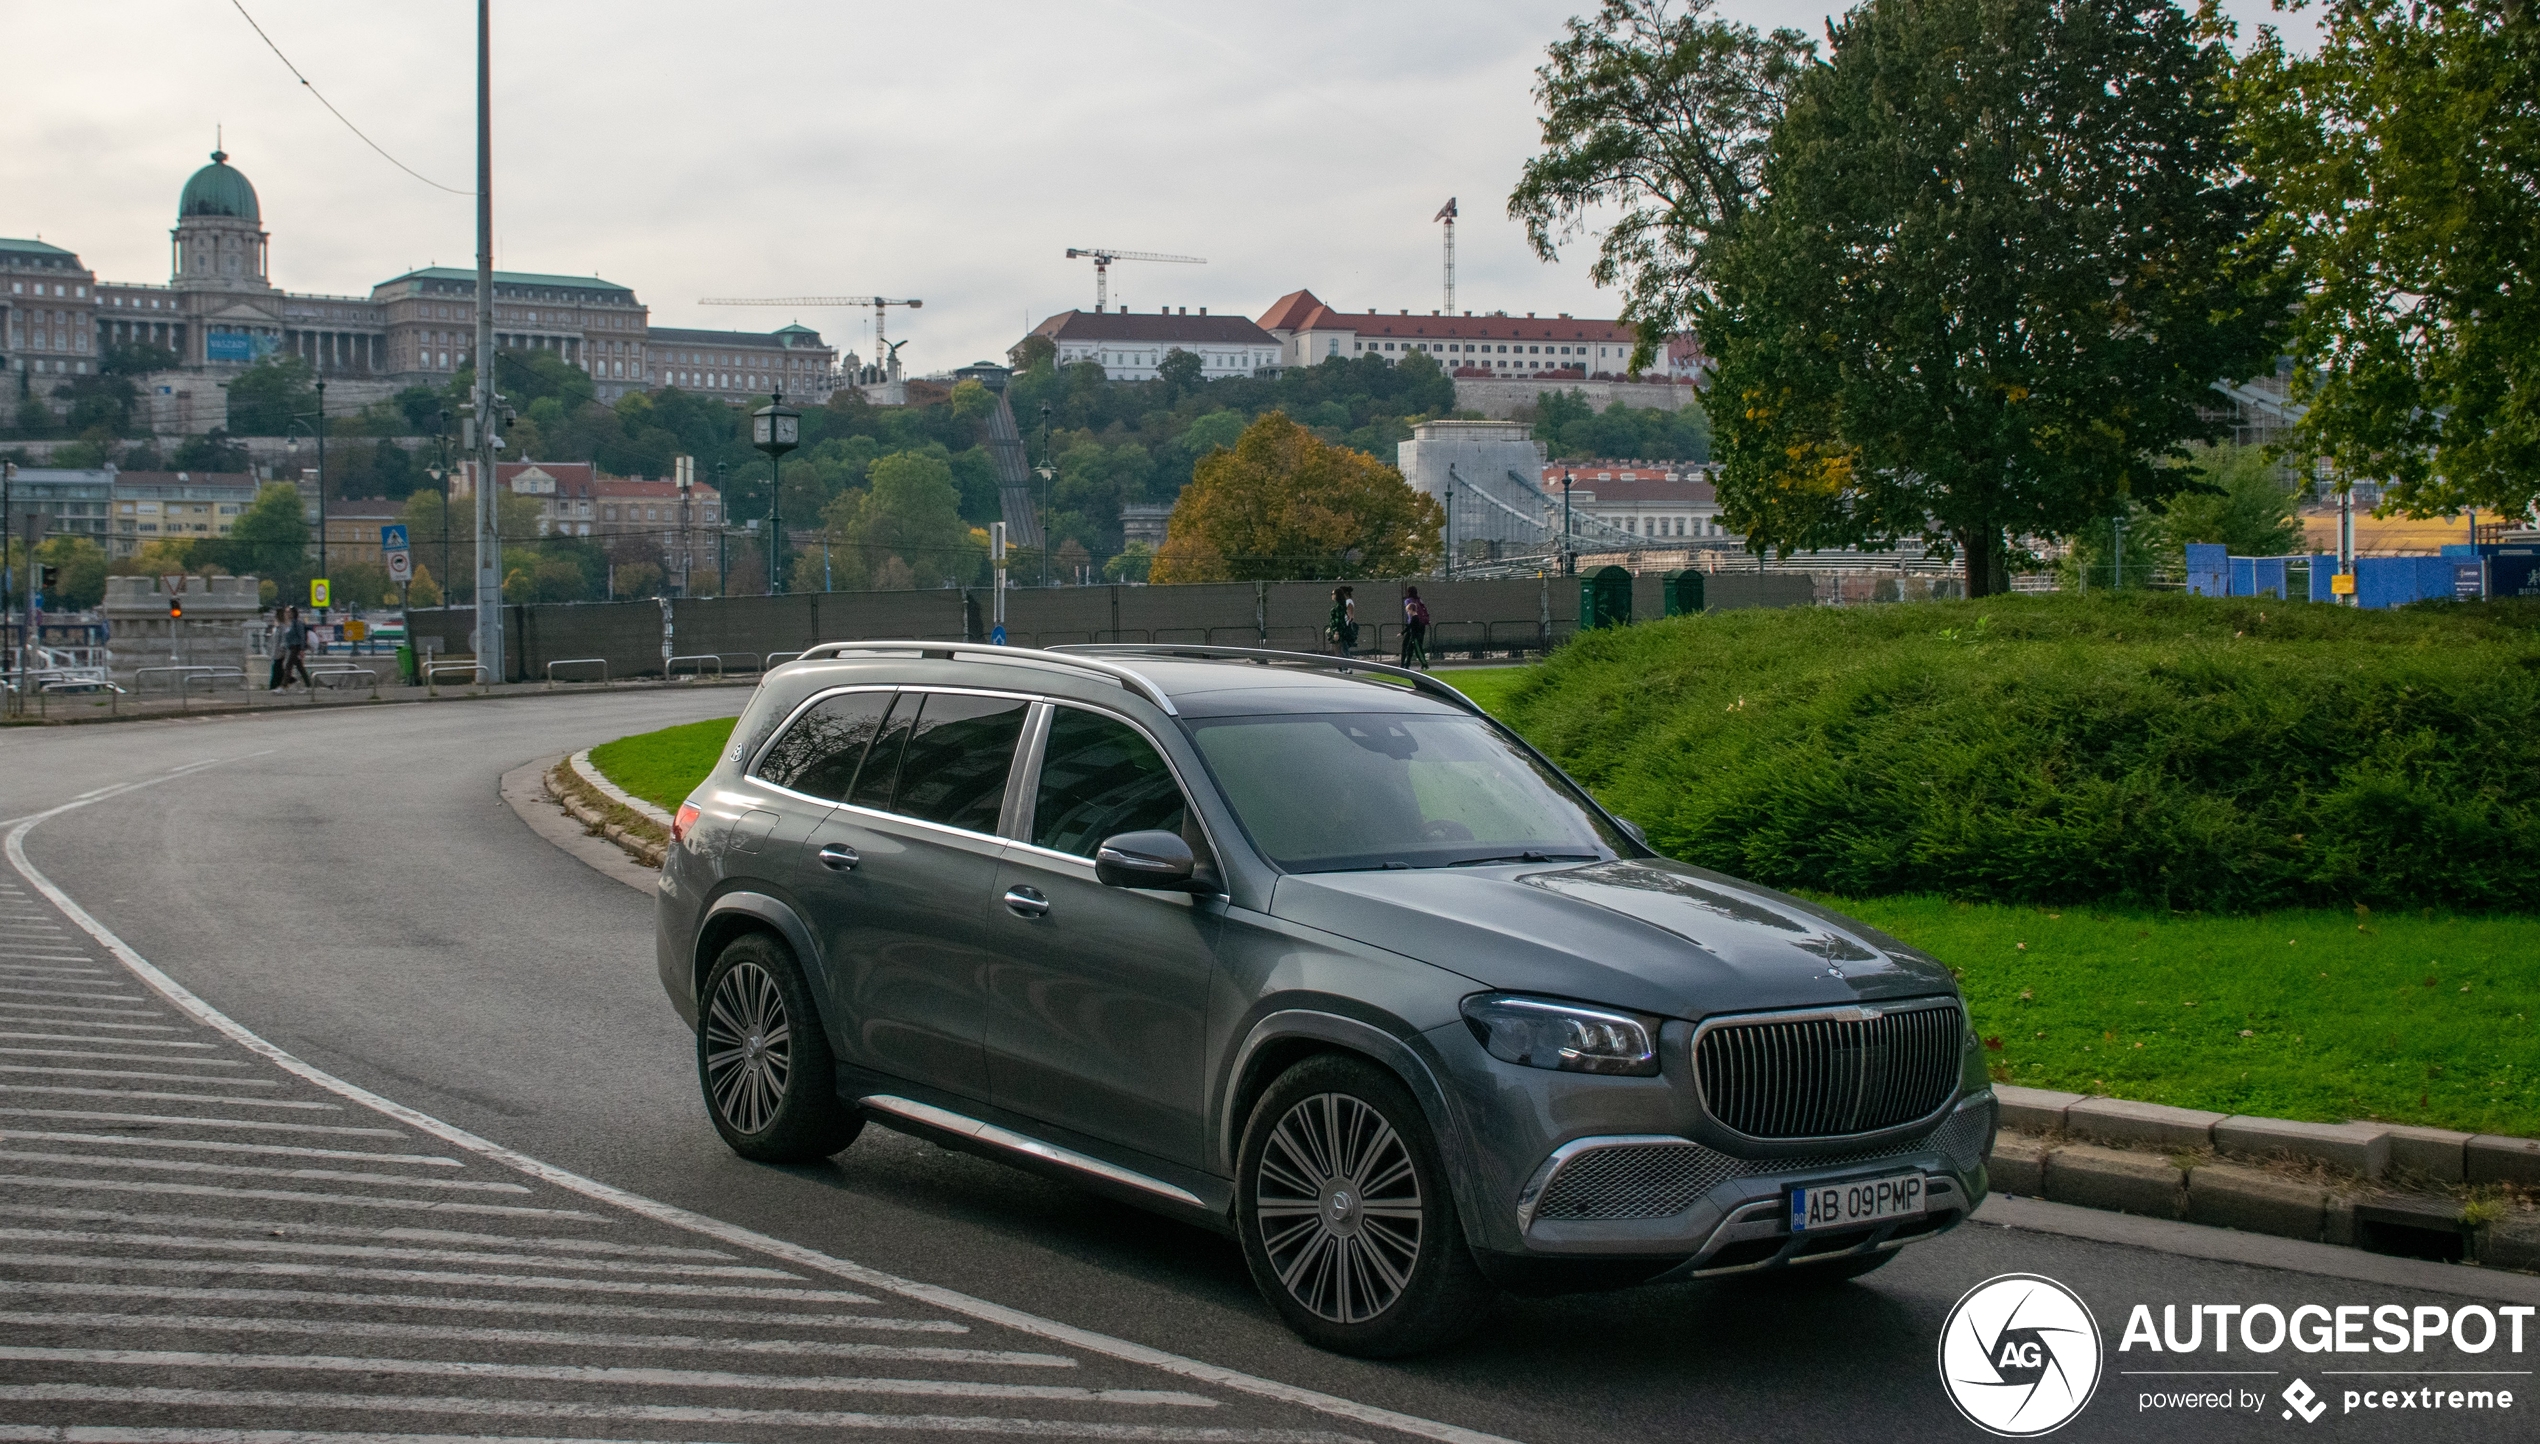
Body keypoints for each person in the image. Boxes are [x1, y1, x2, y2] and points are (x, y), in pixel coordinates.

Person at [279, 606, 313, 690]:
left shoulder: (297, 623)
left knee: (288, 666)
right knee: (300, 667)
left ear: (293, 613)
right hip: (291, 647)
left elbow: (301, 636)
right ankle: (309, 685)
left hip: (296, 647)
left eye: (289, 612)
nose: (287, 614)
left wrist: (302, 649)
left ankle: (283, 686)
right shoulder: (288, 624)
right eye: (286, 612)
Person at [1399, 585, 1432, 670]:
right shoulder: (1419, 600)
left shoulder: (1408, 601)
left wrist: (1403, 632)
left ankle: (1405, 664)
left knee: (1408, 645)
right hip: (1421, 626)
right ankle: (1407, 664)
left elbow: (1410, 615)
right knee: (1416, 646)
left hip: (1413, 626)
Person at [1327, 585, 1358, 657]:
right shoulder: (1342, 604)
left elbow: (1349, 615)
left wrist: (1337, 631)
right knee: (1341, 648)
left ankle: (1347, 665)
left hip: (1342, 628)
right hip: (1340, 627)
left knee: (1342, 648)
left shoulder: (1347, 602)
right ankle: (1345, 665)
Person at [265, 608, 291, 691]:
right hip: (276, 652)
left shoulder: (282, 627)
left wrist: (281, 651)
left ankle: (275, 686)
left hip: (279, 653)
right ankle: (281, 685)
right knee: (278, 670)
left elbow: (283, 640)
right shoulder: (278, 627)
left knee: (277, 670)